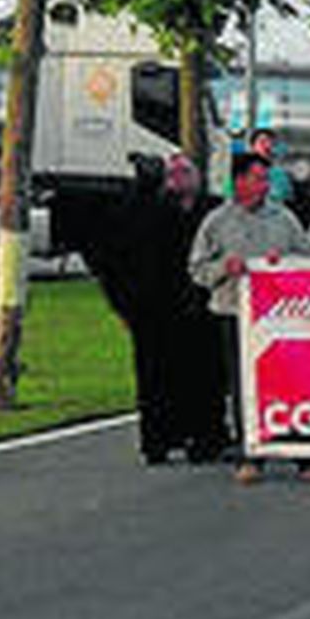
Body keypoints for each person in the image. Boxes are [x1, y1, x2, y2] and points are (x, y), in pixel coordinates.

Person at [189, 152, 310, 485]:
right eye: (257, 178)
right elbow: (196, 269)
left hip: (281, 318)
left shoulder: (284, 219)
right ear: (238, 181)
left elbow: (308, 260)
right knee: (243, 388)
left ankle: (307, 459)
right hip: (235, 314)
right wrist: (225, 268)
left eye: (266, 179)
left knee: (293, 384)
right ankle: (251, 456)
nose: (264, 186)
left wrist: (286, 264)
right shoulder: (216, 222)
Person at [88, 154, 227, 465]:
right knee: (155, 379)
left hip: (204, 308)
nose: (178, 178)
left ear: (198, 176)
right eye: (172, 173)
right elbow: (111, 258)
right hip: (154, 310)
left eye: (185, 171)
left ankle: (207, 438)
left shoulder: (215, 211)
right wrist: (124, 306)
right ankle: (158, 441)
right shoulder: (143, 212)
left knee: (206, 378)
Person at [248, 128, 295, 207]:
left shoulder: (278, 173)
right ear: (252, 147)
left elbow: (285, 196)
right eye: (262, 142)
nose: (267, 146)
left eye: (270, 143)